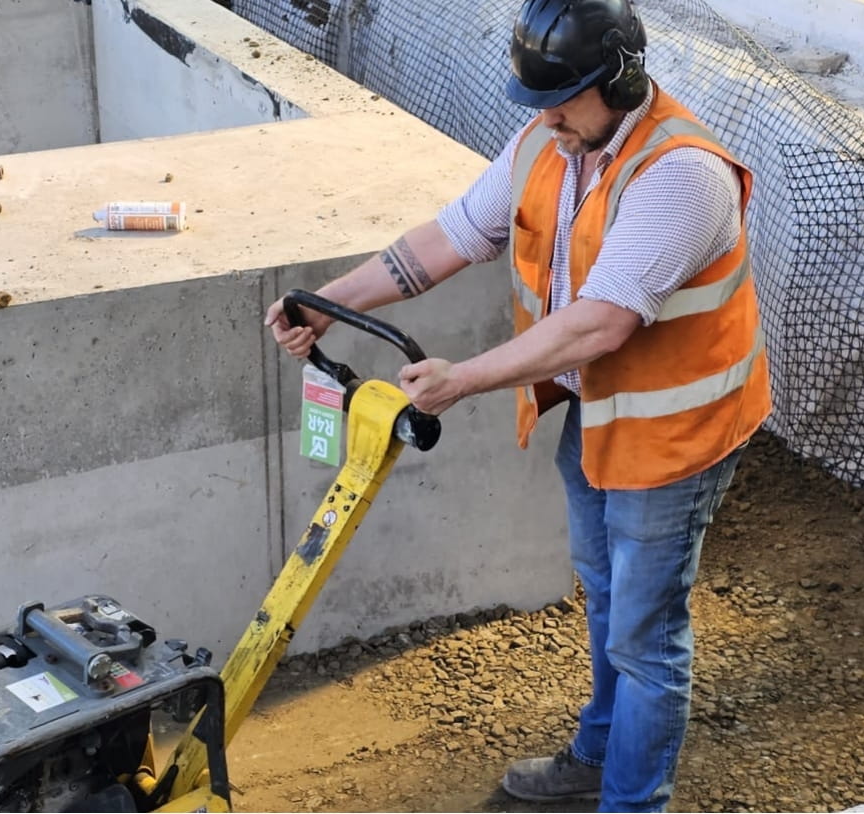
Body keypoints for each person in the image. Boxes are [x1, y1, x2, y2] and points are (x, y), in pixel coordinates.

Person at [263, 0, 771, 809]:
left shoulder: (681, 175)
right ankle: (597, 756)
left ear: (622, 79)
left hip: (676, 433)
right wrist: (330, 300)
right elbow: (453, 236)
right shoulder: (550, 137)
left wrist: (464, 379)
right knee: (605, 592)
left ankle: (632, 802)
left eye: (563, 101)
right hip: (601, 418)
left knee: (646, 636)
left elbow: (601, 323)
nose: (547, 119)